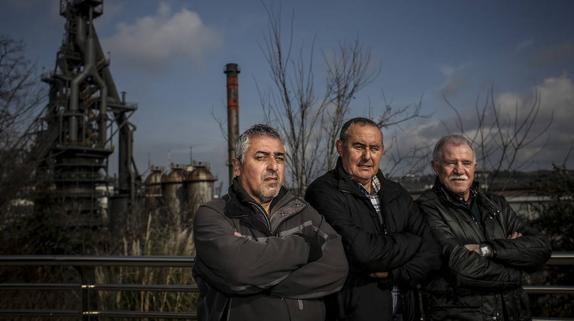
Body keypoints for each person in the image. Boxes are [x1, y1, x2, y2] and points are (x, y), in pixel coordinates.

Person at [193, 124, 348, 321]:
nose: (273, 166)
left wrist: (261, 283)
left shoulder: (303, 210)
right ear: (238, 166)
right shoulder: (214, 214)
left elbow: (337, 267)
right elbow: (240, 270)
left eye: (279, 158)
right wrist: (305, 246)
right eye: (261, 157)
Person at [305, 117, 441, 321]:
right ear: (340, 147)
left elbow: (432, 252)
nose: (367, 156)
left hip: (405, 312)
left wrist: (394, 273)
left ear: (382, 151)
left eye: (374, 148)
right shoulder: (323, 192)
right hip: (355, 313)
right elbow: (361, 252)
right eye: (359, 147)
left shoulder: (397, 193)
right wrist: (411, 241)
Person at [417, 135, 552, 321]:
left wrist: (487, 250)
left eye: (466, 162)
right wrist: (519, 273)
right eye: (451, 163)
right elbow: (459, 266)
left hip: (512, 313)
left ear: (475, 168)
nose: (459, 170)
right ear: (436, 167)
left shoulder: (496, 205)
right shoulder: (426, 207)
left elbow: (540, 247)